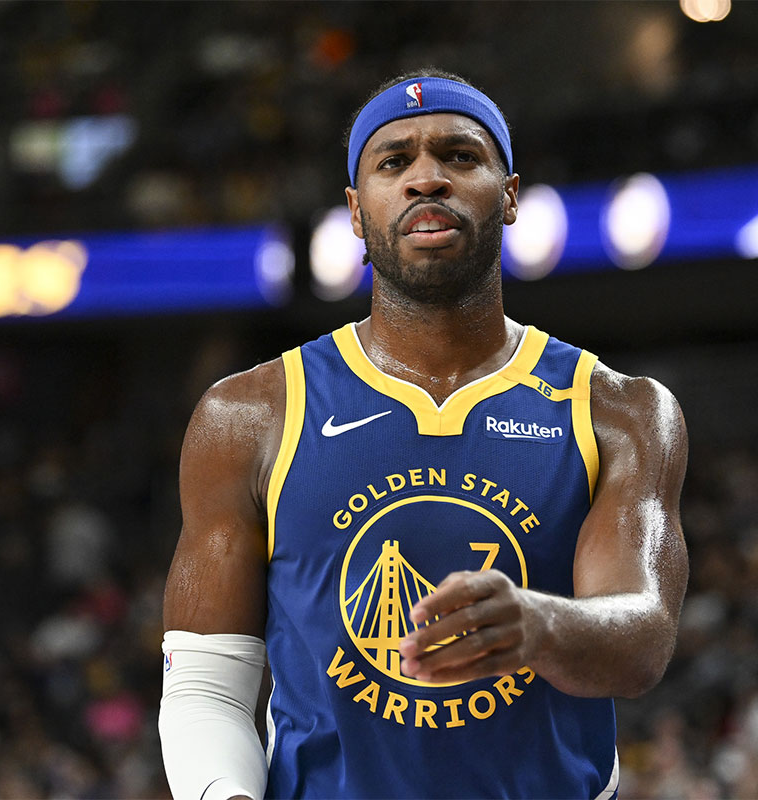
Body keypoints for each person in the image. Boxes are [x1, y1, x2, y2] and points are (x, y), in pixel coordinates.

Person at [158, 69, 689, 800]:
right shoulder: (246, 415)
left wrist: (534, 624)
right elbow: (208, 689)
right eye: (393, 161)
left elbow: (641, 641)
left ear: (509, 196)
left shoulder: (620, 411)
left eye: (460, 156)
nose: (425, 179)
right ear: (355, 209)